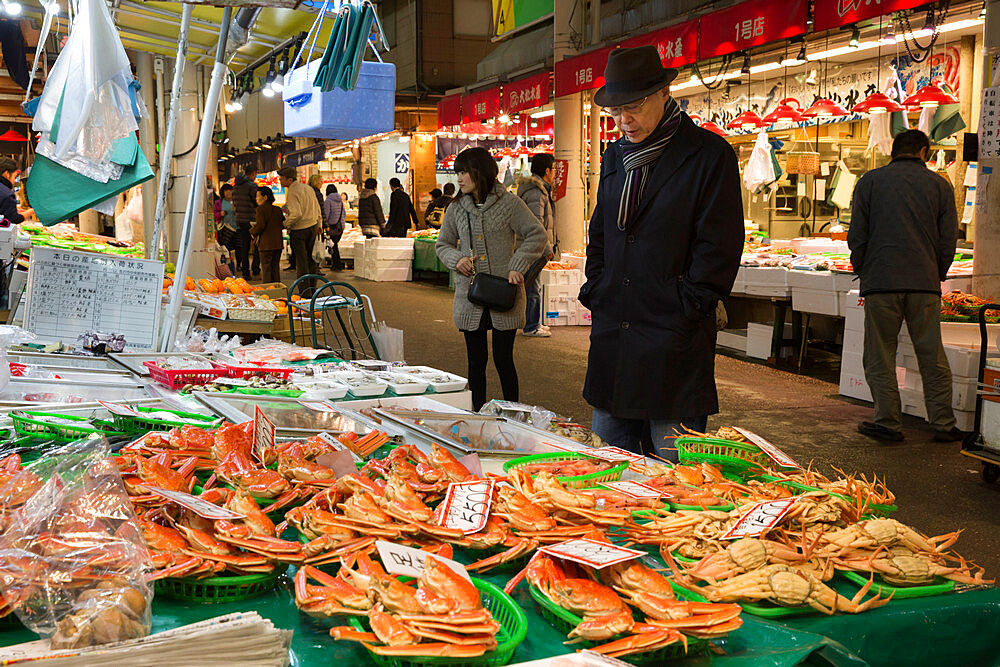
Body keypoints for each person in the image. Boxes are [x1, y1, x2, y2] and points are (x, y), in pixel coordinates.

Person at [580, 46, 743, 460]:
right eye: (615, 112)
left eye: (632, 107)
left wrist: (688, 303)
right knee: (606, 478)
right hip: (615, 337)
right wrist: (597, 288)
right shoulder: (615, 156)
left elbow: (720, 246)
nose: (623, 121)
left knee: (674, 485)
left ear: (664, 93)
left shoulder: (708, 155)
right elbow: (600, 233)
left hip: (673, 340)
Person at [848, 130, 961, 443]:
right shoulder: (940, 185)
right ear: (923, 151)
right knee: (931, 355)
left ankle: (887, 423)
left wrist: (864, 269)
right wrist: (935, 272)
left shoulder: (869, 182)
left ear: (893, 151)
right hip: (924, 284)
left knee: (880, 354)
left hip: (881, 282)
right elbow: (947, 238)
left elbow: (857, 234)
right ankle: (943, 423)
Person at [435, 147, 547, 411]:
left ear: (480, 172)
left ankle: (513, 415)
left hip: (503, 292)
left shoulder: (510, 204)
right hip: (470, 294)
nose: (459, 178)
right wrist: (457, 260)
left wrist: (517, 265)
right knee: (476, 360)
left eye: (463, 172)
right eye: (457, 173)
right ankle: (477, 415)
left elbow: (537, 235)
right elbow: (443, 244)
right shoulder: (456, 208)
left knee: (503, 359)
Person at [517, 153, 558, 338]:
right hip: (533, 248)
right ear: (547, 170)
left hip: (532, 247)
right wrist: (547, 248)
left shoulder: (538, 189)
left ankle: (532, 322)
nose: (555, 173)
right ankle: (531, 326)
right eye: (554, 169)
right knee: (532, 286)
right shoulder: (536, 192)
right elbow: (537, 223)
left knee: (533, 284)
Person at [276, 166, 322, 295]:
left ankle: (305, 293)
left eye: (282, 178)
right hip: (312, 227)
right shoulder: (308, 188)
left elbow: (296, 214)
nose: (280, 180)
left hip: (299, 230)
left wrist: (285, 224)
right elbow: (317, 208)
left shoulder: (292, 191)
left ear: (289, 180)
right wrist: (319, 224)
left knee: (301, 262)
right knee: (310, 260)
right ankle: (313, 289)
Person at [251, 186, 285, 284]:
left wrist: (252, 231)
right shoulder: (278, 209)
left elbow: (261, 225)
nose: (256, 199)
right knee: (275, 269)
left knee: (266, 270)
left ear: (265, 197)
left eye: (258, 196)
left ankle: (268, 292)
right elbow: (282, 223)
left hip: (266, 245)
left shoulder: (260, 209)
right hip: (278, 243)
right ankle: (278, 290)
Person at [230, 166, 258, 280]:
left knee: (244, 246)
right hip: (251, 219)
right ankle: (256, 269)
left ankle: (245, 273)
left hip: (240, 220)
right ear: (253, 173)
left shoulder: (236, 186)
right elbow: (256, 201)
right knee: (257, 245)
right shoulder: (252, 186)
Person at [323, 183, 346, 271]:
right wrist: (342, 224)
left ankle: (337, 265)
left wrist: (326, 225)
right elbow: (343, 213)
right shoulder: (340, 200)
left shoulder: (328, 200)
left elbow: (326, 214)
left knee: (333, 246)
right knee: (334, 245)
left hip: (332, 226)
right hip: (339, 226)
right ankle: (337, 264)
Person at [217, 184, 239, 275]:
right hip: (224, 229)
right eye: (226, 190)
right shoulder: (219, 202)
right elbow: (214, 214)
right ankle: (229, 266)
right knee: (226, 249)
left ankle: (239, 265)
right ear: (223, 192)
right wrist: (220, 214)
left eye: (230, 190)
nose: (228, 192)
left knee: (238, 247)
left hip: (237, 228)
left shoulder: (236, 202)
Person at [0, 158, 25, 225]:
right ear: (7, 174)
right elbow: (14, 219)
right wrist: (31, 211)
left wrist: (12, 211)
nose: (14, 181)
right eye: (14, 177)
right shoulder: (6, 193)